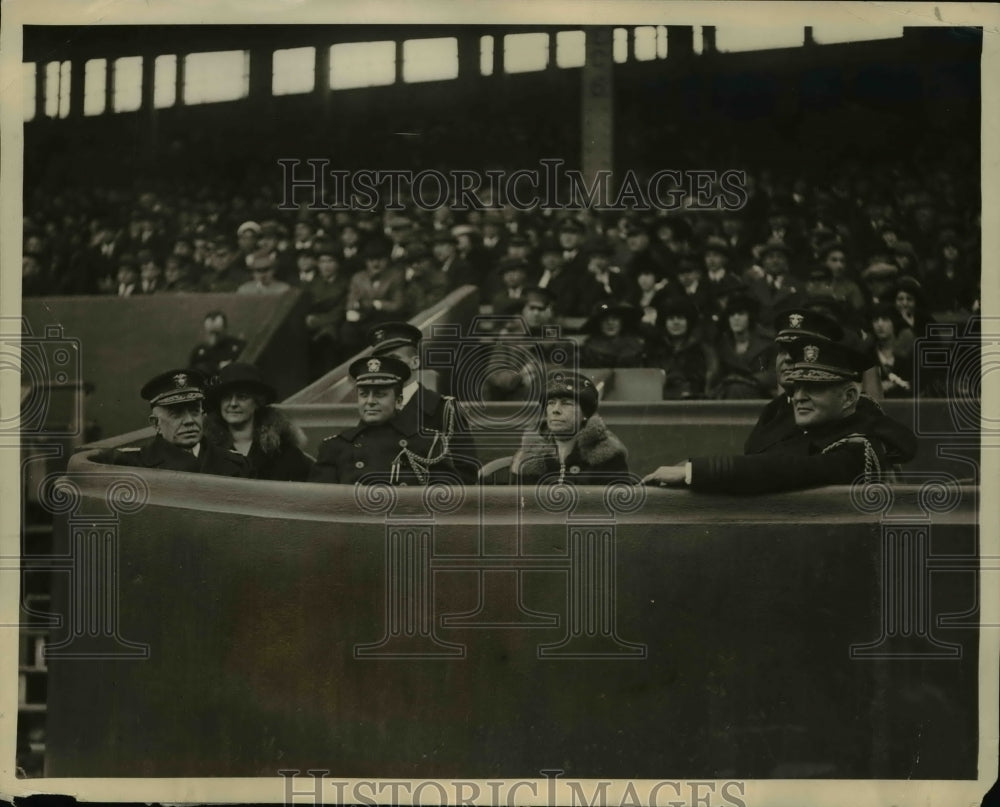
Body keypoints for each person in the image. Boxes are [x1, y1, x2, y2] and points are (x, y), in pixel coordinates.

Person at [643, 339, 917, 493]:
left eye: (815, 388)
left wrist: (694, 472)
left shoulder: (859, 447)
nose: (798, 397)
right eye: (796, 387)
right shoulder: (820, 429)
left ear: (848, 398)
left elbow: (781, 468)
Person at [309, 356, 458, 486]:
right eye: (363, 394)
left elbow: (446, 503)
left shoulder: (429, 443)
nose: (370, 401)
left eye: (380, 394)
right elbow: (321, 505)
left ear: (398, 401)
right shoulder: (334, 447)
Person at [367, 322, 480, 484]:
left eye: (395, 359)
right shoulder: (373, 408)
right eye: (381, 362)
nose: (388, 367)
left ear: (415, 363)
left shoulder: (444, 410)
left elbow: (466, 473)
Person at [94, 369, 248, 476]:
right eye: (177, 413)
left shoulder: (236, 464)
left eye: (194, 411)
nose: (189, 421)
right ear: (156, 424)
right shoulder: (131, 465)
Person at [510, 370, 630, 486]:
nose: (555, 410)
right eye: (551, 403)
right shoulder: (529, 456)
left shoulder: (606, 455)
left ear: (585, 414)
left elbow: (617, 503)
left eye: (566, 403)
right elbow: (516, 503)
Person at [204, 363, 313, 481]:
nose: (233, 404)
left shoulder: (282, 450)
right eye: (226, 397)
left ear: (257, 402)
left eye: (242, 397)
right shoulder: (207, 449)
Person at [649, 295, 719, 400]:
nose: (676, 322)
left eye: (680, 318)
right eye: (671, 319)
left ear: (688, 322)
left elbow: (711, 379)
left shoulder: (703, 349)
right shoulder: (655, 350)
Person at [712, 293, 777, 400]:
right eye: (732, 315)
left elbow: (776, 373)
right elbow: (715, 378)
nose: (736, 318)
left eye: (740, 314)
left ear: (749, 317)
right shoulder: (721, 345)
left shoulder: (769, 342)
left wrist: (751, 380)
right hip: (728, 396)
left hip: (762, 395)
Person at [580, 302, 647, 368]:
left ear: (621, 322)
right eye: (605, 319)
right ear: (598, 324)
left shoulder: (634, 346)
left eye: (615, 318)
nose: (610, 323)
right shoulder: (591, 348)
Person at [188, 310, 246, 376]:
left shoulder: (238, 346)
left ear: (225, 329)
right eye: (211, 333)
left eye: (217, 334)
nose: (214, 338)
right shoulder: (199, 352)